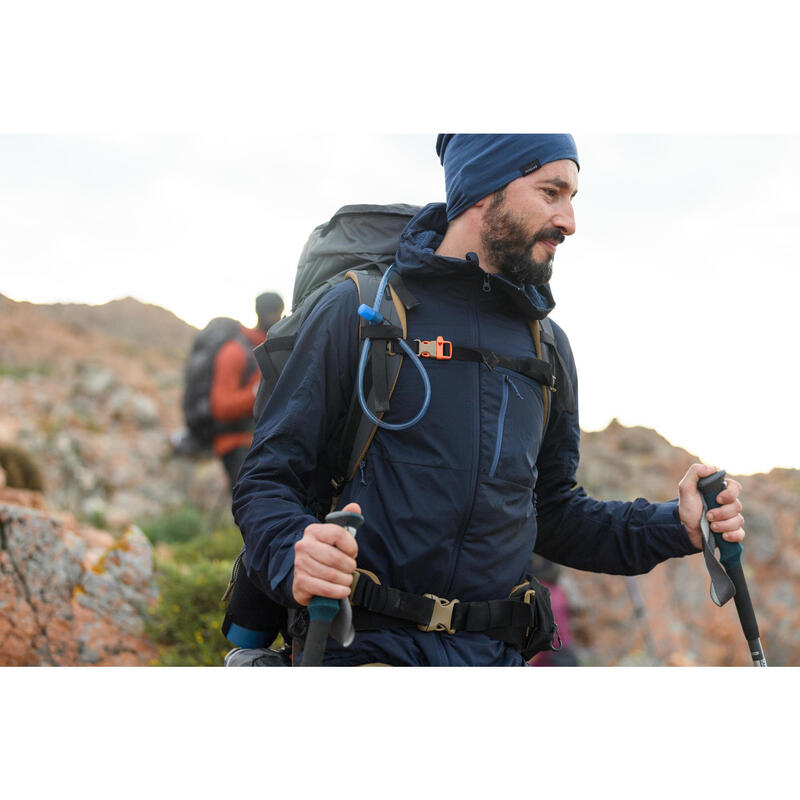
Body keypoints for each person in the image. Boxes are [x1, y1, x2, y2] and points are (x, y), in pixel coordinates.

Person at [232, 135, 746, 666]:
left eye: (572, 198)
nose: (568, 221)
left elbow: (552, 513)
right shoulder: (358, 310)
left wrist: (677, 525)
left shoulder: (546, 346)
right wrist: (293, 552)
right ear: (482, 189)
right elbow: (267, 480)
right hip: (359, 650)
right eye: (551, 192)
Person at [212, 292, 283, 490]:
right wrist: (256, 393)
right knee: (253, 506)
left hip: (257, 442)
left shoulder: (271, 348)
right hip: (235, 443)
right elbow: (221, 407)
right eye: (276, 313)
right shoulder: (234, 351)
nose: (278, 318)